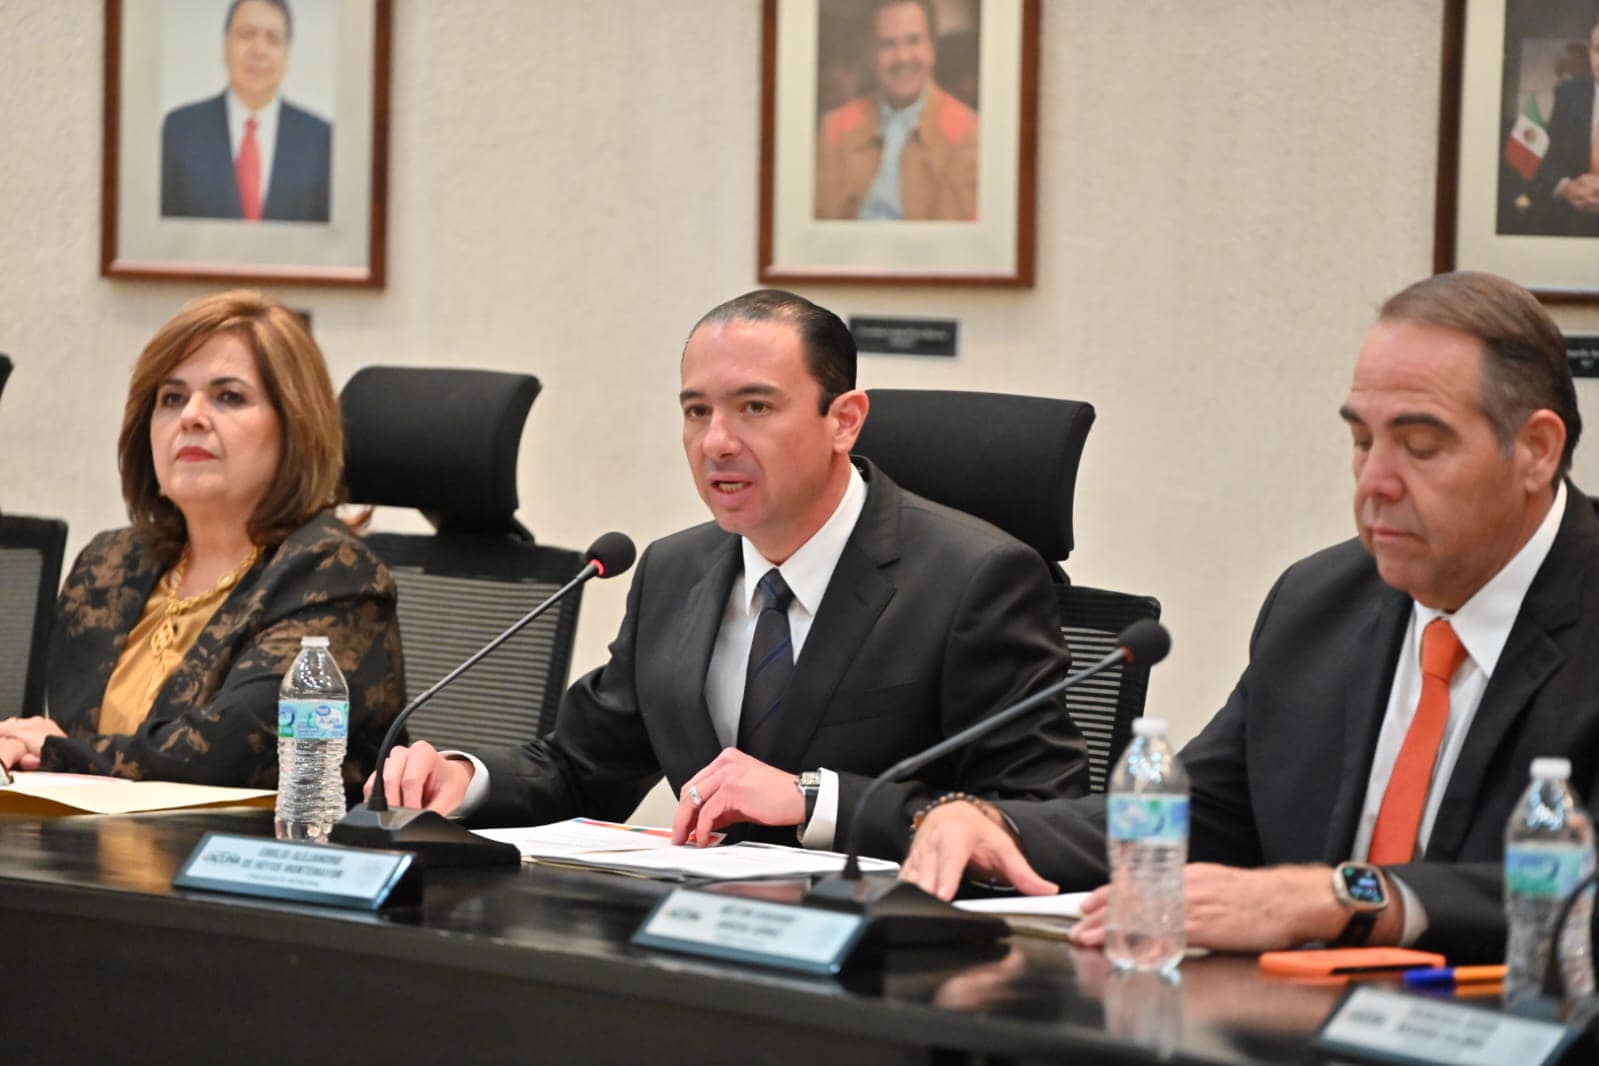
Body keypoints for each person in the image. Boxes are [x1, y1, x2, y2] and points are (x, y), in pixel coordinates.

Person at [901, 271, 1595, 962]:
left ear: (1535, 450)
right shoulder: (1320, 601)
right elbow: (1203, 816)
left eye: (1419, 448)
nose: (1375, 482)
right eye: (1361, 442)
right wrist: (1000, 825)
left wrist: (1341, 897)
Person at [371, 289, 1087, 860]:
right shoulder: (673, 571)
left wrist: (815, 801)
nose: (716, 442)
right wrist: (466, 780)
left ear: (844, 421)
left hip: (891, 957)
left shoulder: (975, 579)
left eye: (754, 407)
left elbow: (1038, 813)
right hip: (704, 941)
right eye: (696, 411)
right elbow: (579, 769)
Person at [0, 290, 404, 798]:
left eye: (228, 396)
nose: (191, 416)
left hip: (247, 859)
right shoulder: (109, 564)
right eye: (171, 398)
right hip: (88, 854)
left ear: (294, 427)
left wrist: (57, 752)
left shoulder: (334, 576)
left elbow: (232, 753)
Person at [161, 0, 332, 223]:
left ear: (287, 56)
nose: (259, 50)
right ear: (225, 47)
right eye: (247, 34)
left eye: (273, 38)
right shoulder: (180, 131)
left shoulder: (321, 140)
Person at [815, 0, 979, 221]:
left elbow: (951, 243)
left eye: (913, 41)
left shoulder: (970, 132)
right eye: (887, 44)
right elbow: (821, 232)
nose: (902, 58)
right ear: (871, 55)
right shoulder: (835, 127)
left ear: (932, 47)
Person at [1531, 17, 1599, 237]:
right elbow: (1548, 160)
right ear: (1590, 52)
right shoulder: (1568, 93)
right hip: (1572, 227)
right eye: (1598, 50)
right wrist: (1567, 188)